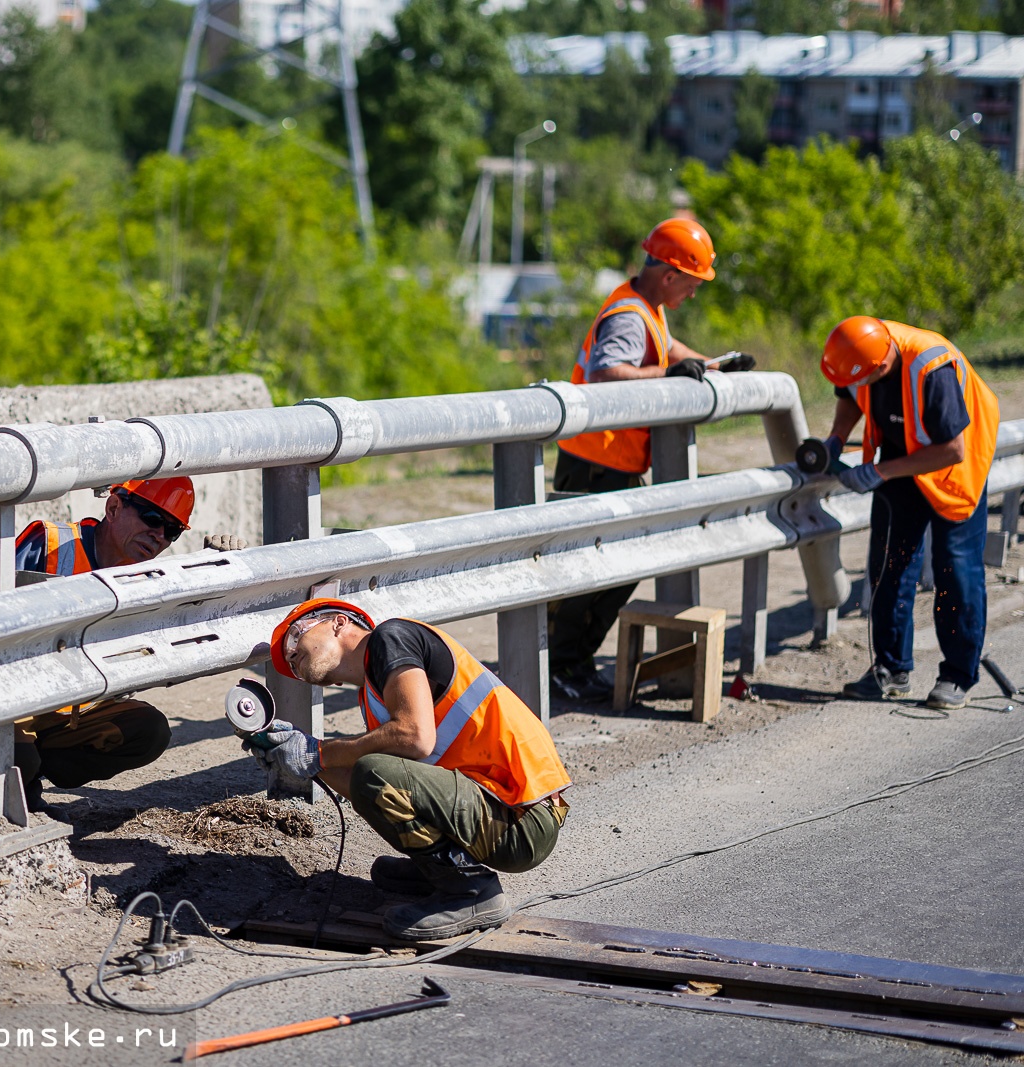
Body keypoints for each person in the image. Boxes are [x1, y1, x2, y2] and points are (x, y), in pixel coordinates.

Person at [249, 599, 571, 940]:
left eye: (294, 638)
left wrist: (320, 752)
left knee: (374, 769)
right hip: (499, 809)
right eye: (288, 661)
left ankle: (471, 891)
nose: (291, 656)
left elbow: (416, 737)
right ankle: (443, 873)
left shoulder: (392, 638)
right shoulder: (374, 700)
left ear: (339, 623)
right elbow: (369, 787)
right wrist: (305, 760)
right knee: (371, 773)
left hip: (523, 817)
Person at [0, 478, 242, 812]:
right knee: (11, 758)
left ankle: (36, 764)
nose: (160, 536)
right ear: (114, 507)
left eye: (172, 530)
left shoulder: (149, 578)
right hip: (12, 698)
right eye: (152, 519)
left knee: (148, 732)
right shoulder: (50, 544)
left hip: (71, 706)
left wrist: (218, 569)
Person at [548, 218, 756, 703]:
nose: (695, 293)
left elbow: (670, 351)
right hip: (595, 463)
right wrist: (669, 372)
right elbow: (605, 373)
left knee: (614, 566)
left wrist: (714, 364)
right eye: (693, 282)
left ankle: (571, 663)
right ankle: (562, 665)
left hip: (607, 461)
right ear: (669, 276)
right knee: (592, 572)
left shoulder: (646, 307)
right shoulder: (629, 314)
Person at [820, 316, 999, 710]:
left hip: (955, 463)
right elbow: (850, 396)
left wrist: (880, 471)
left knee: (954, 567)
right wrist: (835, 439)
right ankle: (891, 669)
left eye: (866, 379)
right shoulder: (858, 348)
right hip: (903, 456)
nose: (859, 386)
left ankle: (957, 675)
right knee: (890, 560)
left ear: (882, 366)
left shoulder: (931, 368)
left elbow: (953, 448)